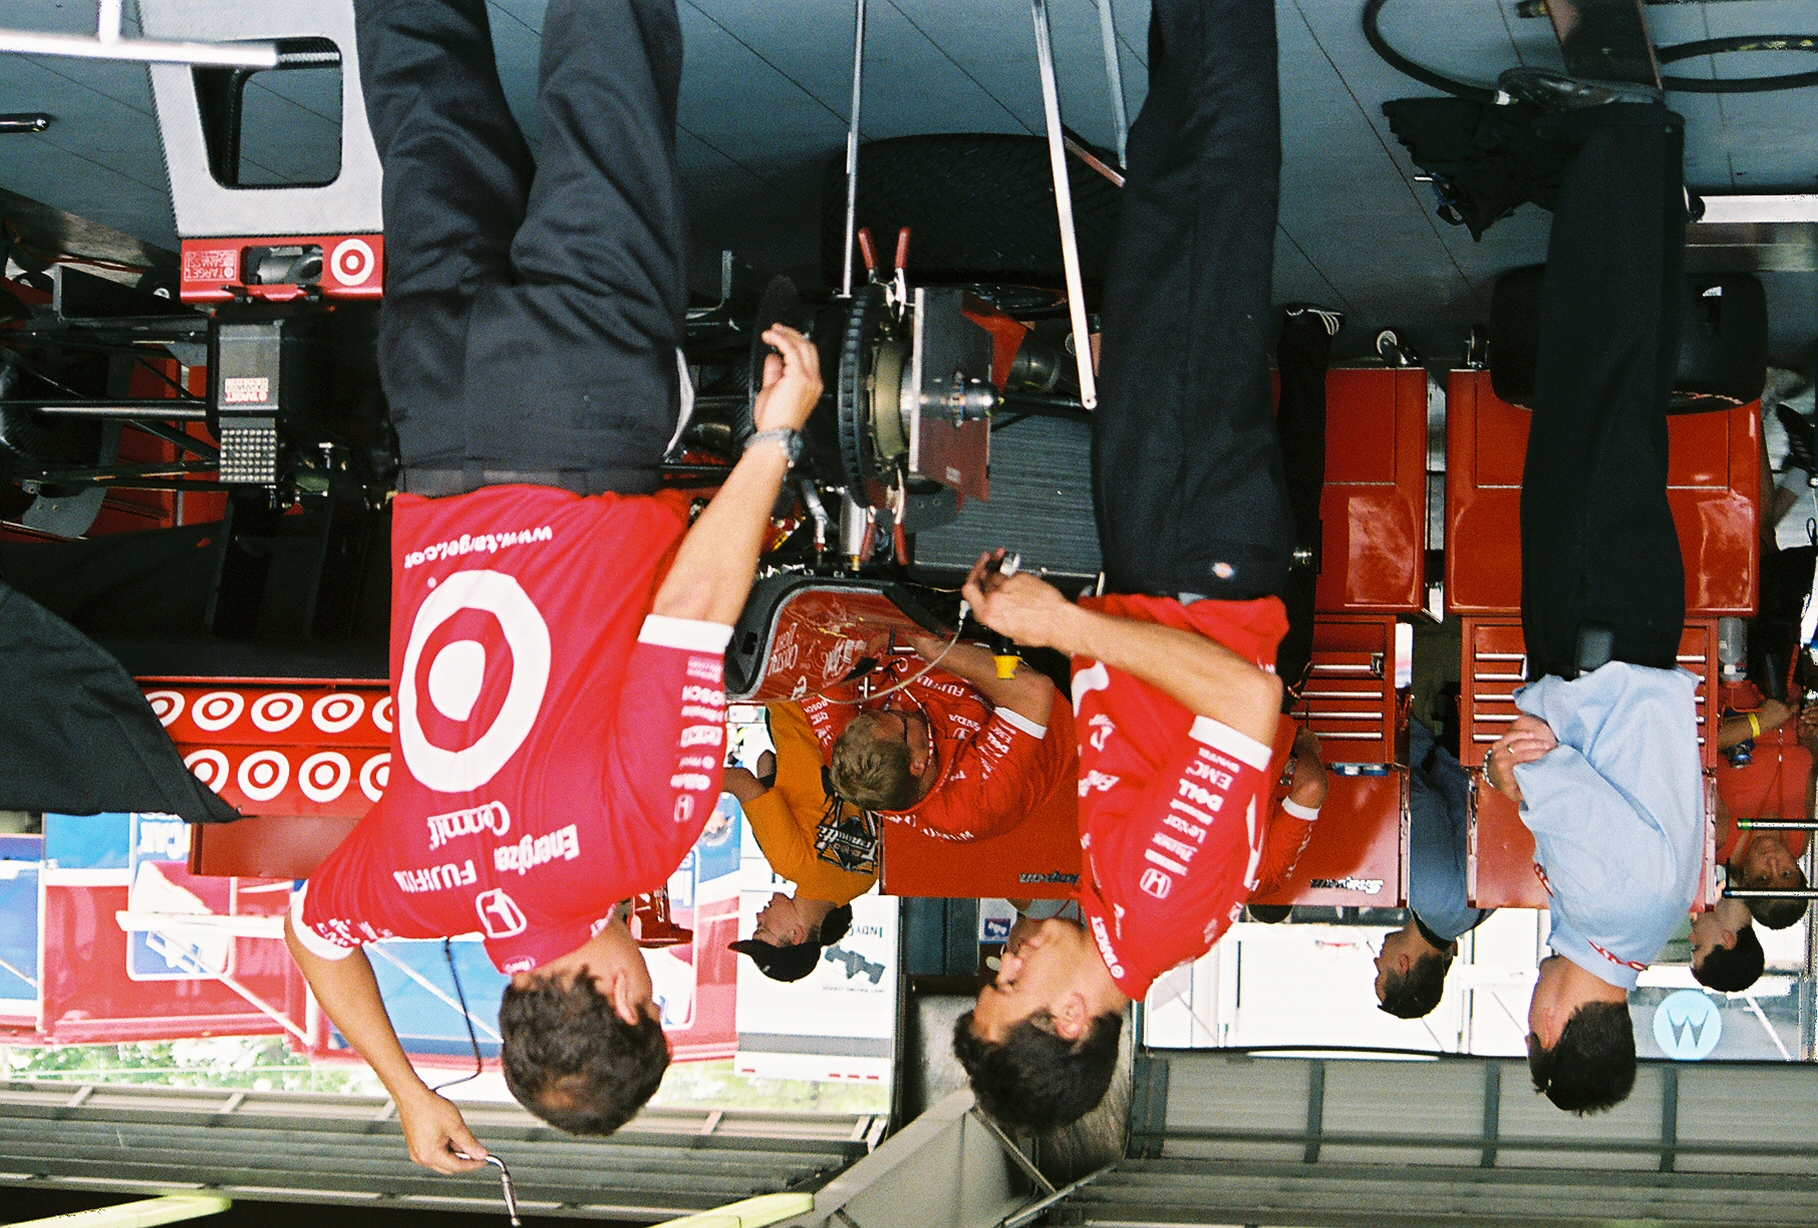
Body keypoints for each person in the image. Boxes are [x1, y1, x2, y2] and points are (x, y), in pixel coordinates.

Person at [281, 0, 822, 1173]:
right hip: (433, 409)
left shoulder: (633, 844)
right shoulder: (413, 886)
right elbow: (313, 933)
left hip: (580, 405)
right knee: (424, 98)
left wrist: (775, 438)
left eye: (650, 996)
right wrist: (408, 1092)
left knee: (605, 81)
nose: (652, 973)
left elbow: (691, 617)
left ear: (619, 1000)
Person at [951, 0, 1330, 1133]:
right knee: (1210, 216)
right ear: (1071, 1018)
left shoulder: (1123, 912)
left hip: (1162, 550)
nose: (1005, 955)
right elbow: (1249, 703)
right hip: (1196, 544)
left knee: (1169, 225)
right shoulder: (1157, 905)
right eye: (1008, 984)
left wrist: (1038, 627)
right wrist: (1064, 630)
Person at [1480, 69, 1703, 1116]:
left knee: (1628, 385)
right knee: (1591, 374)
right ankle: (1615, 138)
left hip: (1633, 618)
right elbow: (1529, 757)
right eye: (1530, 1026)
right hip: (1594, 610)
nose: (1526, 1006)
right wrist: (1503, 768)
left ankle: (1649, 157)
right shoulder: (1607, 904)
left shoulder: (1649, 922)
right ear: (1557, 1031)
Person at [818, 634, 1078, 845]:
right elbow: (1033, 691)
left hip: (954, 638)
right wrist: (937, 652)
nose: (895, 703)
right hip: (1058, 685)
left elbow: (821, 657)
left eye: (881, 710)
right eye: (899, 716)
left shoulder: (847, 755)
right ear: (918, 763)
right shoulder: (971, 804)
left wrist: (864, 642)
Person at [723, 702, 874, 982]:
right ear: (796, 936)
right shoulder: (790, 863)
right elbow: (741, 781)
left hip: (853, 715)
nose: (759, 917)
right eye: (763, 928)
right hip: (799, 705)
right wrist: (679, 784)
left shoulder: (865, 879)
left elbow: (767, 764)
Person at [1376, 721, 1493, 1019]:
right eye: (1380, 972)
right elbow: (1410, 795)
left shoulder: (1470, 919)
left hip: (1480, 753)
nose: (1376, 962)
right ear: (1403, 965)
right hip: (1450, 733)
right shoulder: (1430, 900)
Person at [1714, 684, 1812, 932]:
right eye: (1787, 874)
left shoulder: (1720, 838)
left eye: (1763, 877)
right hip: (1789, 685)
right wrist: (1810, 731)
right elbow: (1812, 761)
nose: (1773, 862)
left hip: (1732, 682)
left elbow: (1687, 745)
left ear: (1745, 881)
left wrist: (1758, 723)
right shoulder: (1799, 840)